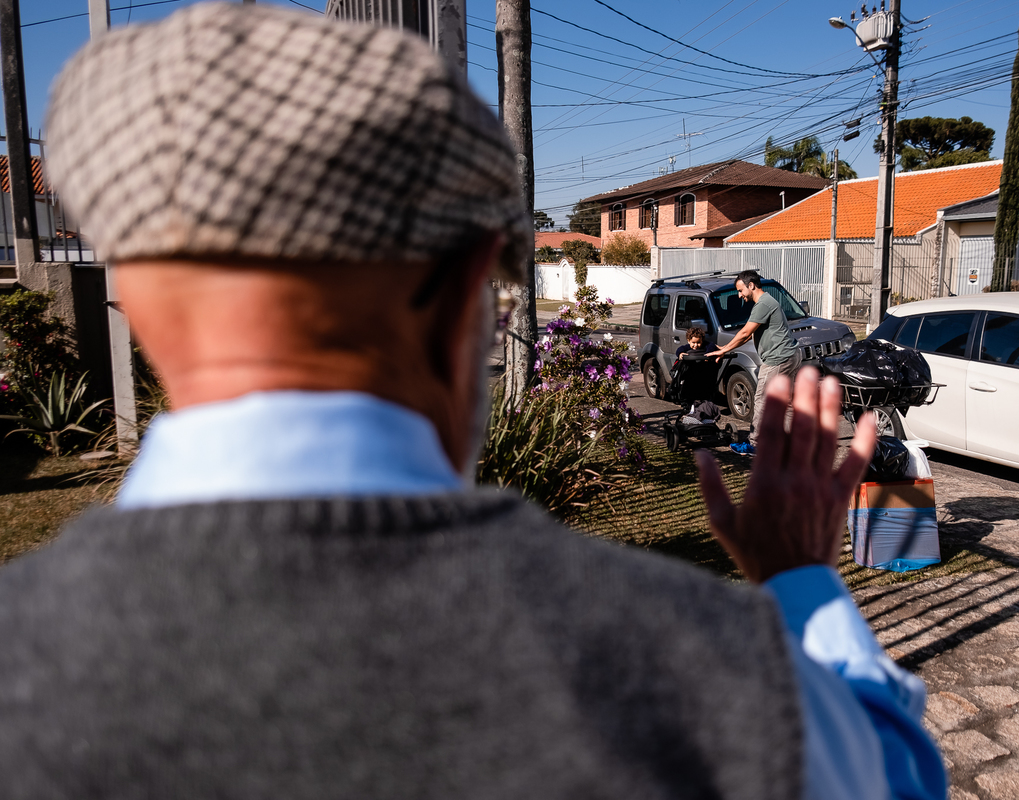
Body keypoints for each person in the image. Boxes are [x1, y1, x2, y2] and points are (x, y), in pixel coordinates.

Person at [0, 5, 946, 799]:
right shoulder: (717, 678)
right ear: (464, 289)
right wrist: (801, 582)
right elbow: (898, 773)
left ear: (132, 295)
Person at [709, 270, 803, 455]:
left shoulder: (763, 304)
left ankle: (755, 444)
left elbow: (744, 333)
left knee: (761, 400)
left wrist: (723, 350)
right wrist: (727, 348)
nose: (739, 295)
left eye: (740, 290)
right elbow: (748, 336)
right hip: (790, 355)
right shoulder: (767, 302)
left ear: (751, 285)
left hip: (777, 359)